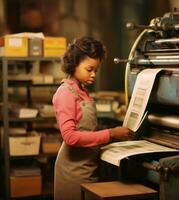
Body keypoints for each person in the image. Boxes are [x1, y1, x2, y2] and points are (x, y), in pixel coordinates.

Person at [52, 36, 132, 200]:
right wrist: (111, 133)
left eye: (96, 70)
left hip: (88, 167)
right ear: (74, 64)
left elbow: (87, 130)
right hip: (72, 172)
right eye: (89, 69)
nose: (94, 74)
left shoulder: (82, 91)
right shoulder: (66, 93)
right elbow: (70, 137)